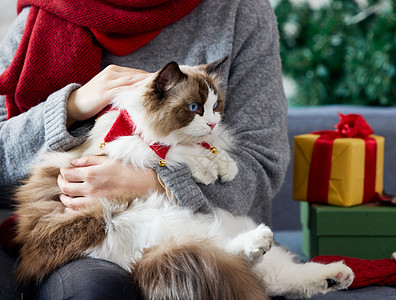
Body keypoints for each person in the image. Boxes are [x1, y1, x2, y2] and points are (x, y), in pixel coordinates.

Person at [0, 0, 289, 298]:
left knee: (192, 274)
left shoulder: (239, 11)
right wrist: (72, 107)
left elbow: (263, 163)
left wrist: (159, 183)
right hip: (86, 239)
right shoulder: (42, 15)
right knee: (93, 289)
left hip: (211, 231)